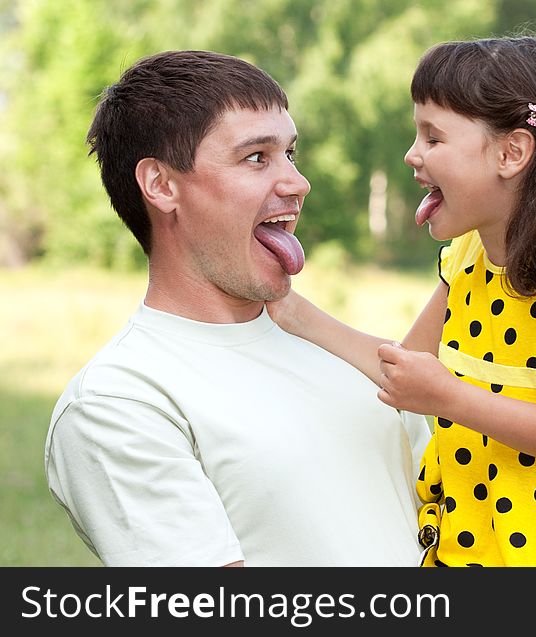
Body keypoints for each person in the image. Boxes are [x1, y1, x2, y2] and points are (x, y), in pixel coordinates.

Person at [269, 35, 536, 567]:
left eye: (433, 138)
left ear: (512, 153)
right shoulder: (468, 259)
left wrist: (451, 399)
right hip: (467, 551)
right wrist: (292, 311)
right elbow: (404, 369)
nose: (412, 154)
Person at [44, 50, 430, 567]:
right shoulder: (118, 402)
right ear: (161, 185)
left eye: (292, 153)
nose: (297, 182)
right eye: (256, 157)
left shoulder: (338, 350)